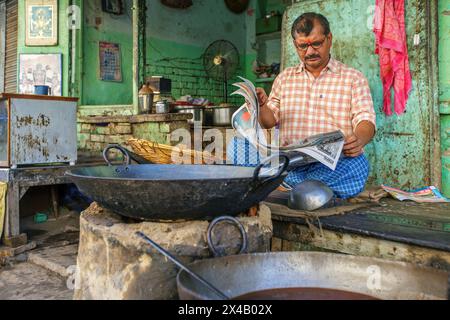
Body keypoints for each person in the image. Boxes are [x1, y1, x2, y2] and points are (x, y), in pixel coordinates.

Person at [228, 12, 376, 199]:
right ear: (295, 44)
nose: (310, 51)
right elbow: (269, 121)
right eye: (303, 46)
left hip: (329, 166)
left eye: (316, 43)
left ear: (329, 39)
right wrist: (261, 106)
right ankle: (306, 190)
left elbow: (366, 119)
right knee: (237, 146)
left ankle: (279, 184)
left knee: (357, 166)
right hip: (289, 163)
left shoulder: (353, 78)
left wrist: (359, 139)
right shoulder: (284, 78)